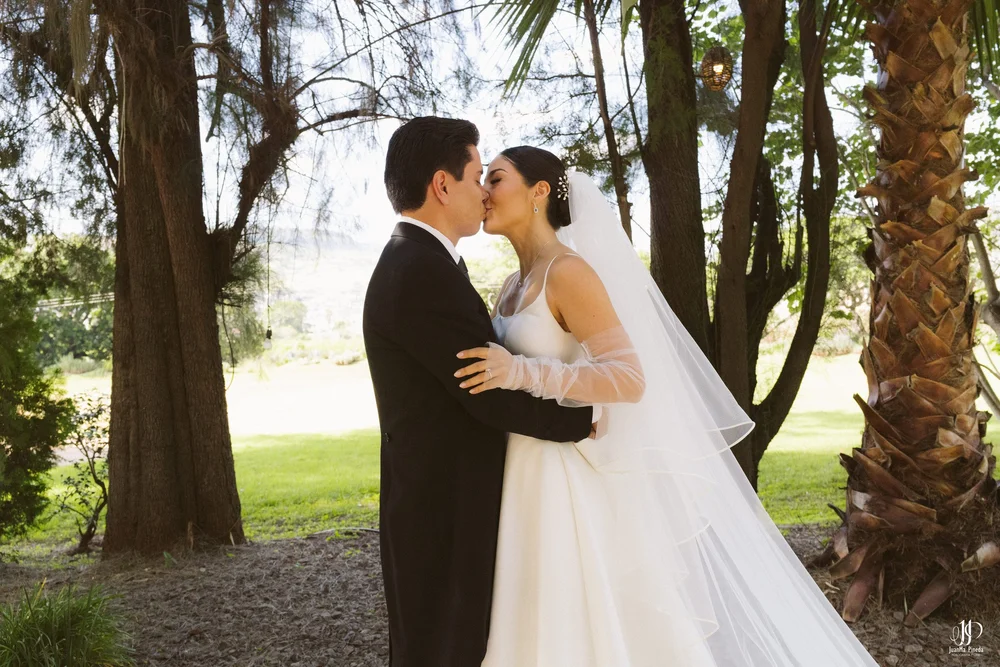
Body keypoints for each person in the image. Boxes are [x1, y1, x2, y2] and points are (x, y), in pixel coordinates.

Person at [452, 146, 880, 666]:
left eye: (495, 178)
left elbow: (629, 378)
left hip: (561, 477)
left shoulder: (568, 273)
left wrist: (522, 371)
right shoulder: (510, 286)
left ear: (539, 191)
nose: (483, 192)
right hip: (517, 468)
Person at [362, 119, 600, 667]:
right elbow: (483, 391)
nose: (484, 192)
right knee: (443, 647)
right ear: (443, 186)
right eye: (476, 177)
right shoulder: (420, 270)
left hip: (440, 497)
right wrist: (578, 421)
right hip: (441, 505)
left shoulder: (423, 262)